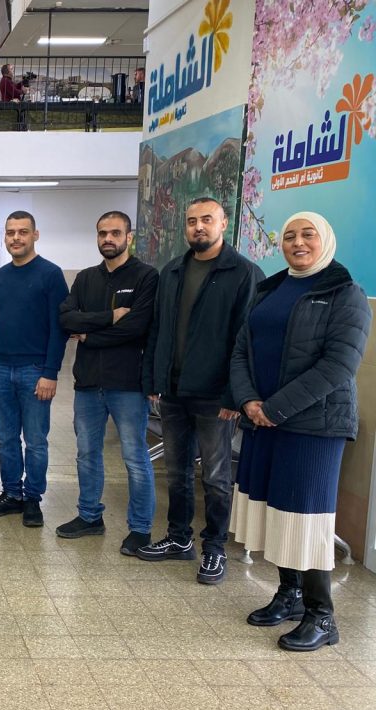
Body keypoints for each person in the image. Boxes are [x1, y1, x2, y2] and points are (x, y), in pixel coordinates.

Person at [229, 212, 370, 651]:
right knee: (278, 513)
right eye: (289, 236)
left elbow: (339, 365)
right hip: (263, 421)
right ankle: (288, 594)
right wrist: (248, 401)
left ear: (326, 239)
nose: (298, 242)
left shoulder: (345, 293)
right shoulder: (270, 289)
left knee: (306, 518)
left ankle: (322, 616)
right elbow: (241, 350)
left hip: (314, 427)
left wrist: (274, 409)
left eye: (308, 234)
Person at [137, 197, 264, 584]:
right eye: (192, 221)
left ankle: (214, 547)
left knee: (216, 476)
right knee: (176, 471)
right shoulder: (173, 270)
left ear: (223, 223)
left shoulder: (244, 273)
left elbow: (247, 341)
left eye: (207, 219)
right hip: (174, 391)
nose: (198, 227)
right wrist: (154, 378)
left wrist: (235, 394)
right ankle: (179, 538)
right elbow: (158, 329)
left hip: (216, 397)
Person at [57, 212, 159, 554]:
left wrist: (89, 334)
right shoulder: (86, 278)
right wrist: (108, 318)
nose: (108, 239)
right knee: (86, 453)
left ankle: (141, 528)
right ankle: (89, 516)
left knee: (134, 456)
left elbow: (136, 328)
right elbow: (66, 319)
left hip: (127, 383)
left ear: (129, 237)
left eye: (115, 233)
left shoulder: (146, 276)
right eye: (102, 233)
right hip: (88, 383)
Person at [0, 211, 68, 528]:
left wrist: (50, 372)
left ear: (35, 235)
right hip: (0, 369)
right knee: (5, 440)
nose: (15, 238)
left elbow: (59, 329)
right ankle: (12, 494)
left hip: (35, 371)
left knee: (36, 441)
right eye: (10, 232)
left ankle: (32, 498)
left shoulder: (51, 275)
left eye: (23, 232)